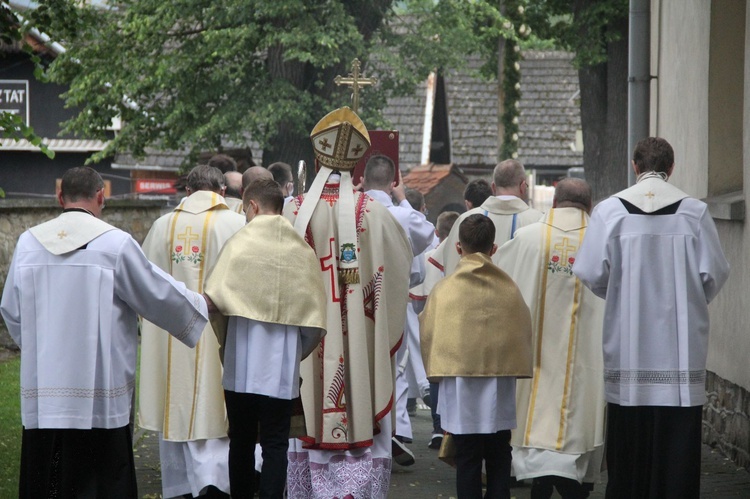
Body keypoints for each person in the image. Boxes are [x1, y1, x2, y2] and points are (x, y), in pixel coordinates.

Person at [0, 166, 209, 498]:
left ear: (59, 197)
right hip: (99, 396)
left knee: (48, 483)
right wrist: (200, 303)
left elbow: (11, 310)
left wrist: (43, 350)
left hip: (45, 395)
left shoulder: (27, 244)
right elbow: (155, 292)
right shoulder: (114, 244)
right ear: (101, 196)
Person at [573, 137, 730, 499]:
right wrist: (688, 301)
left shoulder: (609, 212)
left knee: (629, 442)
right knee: (675, 444)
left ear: (634, 165)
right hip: (679, 351)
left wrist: (623, 297)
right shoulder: (694, 212)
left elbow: (592, 274)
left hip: (628, 348)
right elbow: (714, 275)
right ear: (671, 168)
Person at [284, 106, 412, 498]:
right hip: (358, 338)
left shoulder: (292, 211)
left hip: (306, 336)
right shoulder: (374, 213)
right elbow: (402, 268)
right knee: (358, 381)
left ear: (319, 157)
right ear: (355, 164)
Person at [203, 178, 327, 498]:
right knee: (275, 443)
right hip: (281, 361)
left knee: (241, 439)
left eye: (245, 210)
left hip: (241, 358)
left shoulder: (239, 243)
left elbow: (215, 303)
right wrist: (297, 349)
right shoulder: (301, 248)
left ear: (253, 206)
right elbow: (313, 320)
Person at [139, 165, 245, 499]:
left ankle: (180, 486)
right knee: (215, 405)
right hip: (218, 336)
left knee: (176, 403)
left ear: (187, 190)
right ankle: (215, 484)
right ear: (223, 191)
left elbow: (143, 285)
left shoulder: (161, 226)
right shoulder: (237, 224)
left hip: (171, 338)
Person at [495, 178, 605, 498]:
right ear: (589, 204)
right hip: (586, 365)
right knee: (579, 431)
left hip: (534, 361)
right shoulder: (604, 242)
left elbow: (499, 289)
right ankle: (577, 483)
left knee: (536, 432)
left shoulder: (527, 239)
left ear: (555, 202)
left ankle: (541, 482)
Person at [420, 214, 533, 499]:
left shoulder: (444, 290)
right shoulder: (509, 288)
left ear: (458, 247)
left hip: (460, 384)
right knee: (499, 452)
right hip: (499, 381)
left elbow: (428, 334)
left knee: (468, 456)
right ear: (494, 248)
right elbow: (523, 329)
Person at [363, 155, 436, 464]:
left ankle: (361, 428)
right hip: (391, 302)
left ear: (363, 180)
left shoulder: (350, 211)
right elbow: (428, 234)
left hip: (353, 304)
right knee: (395, 368)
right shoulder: (402, 216)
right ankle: (389, 431)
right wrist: (404, 200)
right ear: (393, 183)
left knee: (356, 366)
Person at [430, 159, 542, 277]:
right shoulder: (539, 221)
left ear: (493, 187)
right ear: (523, 186)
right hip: (518, 295)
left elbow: (451, 268)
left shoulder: (466, 219)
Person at [410, 210, 460, 450]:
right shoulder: (465, 257)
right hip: (461, 325)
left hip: (437, 325)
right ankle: (454, 427)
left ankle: (439, 429)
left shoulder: (431, 258)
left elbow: (418, 300)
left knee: (437, 377)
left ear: (438, 233)